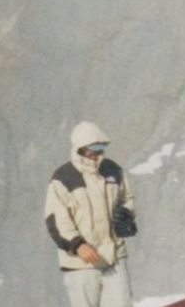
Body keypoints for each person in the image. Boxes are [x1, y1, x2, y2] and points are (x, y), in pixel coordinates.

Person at [44, 121, 138, 307]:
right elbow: (56, 220)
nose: (98, 153)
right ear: (81, 148)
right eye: (93, 148)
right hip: (81, 262)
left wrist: (127, 213)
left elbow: (127, 197)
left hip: (114, 255)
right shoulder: (63, 178)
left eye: (101, 147)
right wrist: (77, 245)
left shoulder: (113, 171)